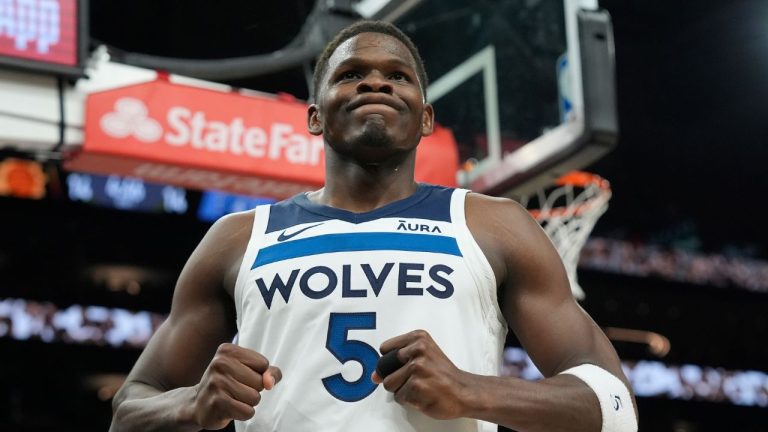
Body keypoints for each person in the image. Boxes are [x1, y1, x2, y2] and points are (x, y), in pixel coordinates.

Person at [109, 20, 637, 432]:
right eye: (351, 73)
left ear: (426, 118)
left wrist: (471, 391)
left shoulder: (492, 225)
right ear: (315, 116)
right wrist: (191, 404)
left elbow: (615, 407)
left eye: (398, 75)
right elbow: (130, 409)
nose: (376, 81)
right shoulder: (239, 237)